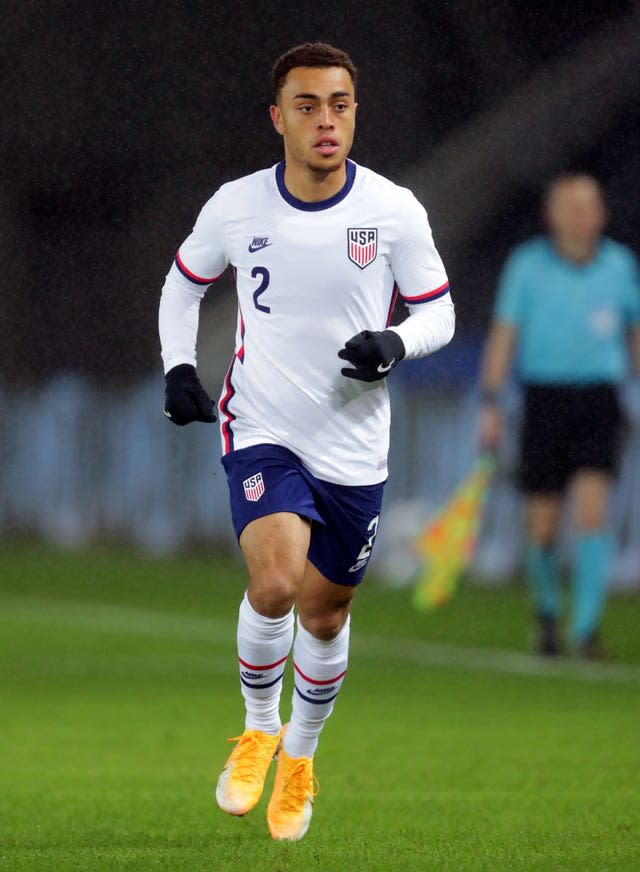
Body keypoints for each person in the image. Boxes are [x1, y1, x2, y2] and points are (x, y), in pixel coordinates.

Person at [158, 42, 454, 841]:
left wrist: (395, 344)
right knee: (280, 583)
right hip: (261, 426)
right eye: (309, 105)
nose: (327, 121)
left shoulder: (394, 210)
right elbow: (183, 282)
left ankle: (300, 754)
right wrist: (179, 366)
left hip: (354, 444)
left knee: (325, 615)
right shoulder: (237, 205)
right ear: (277, 117)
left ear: (354, 113)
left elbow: (439, 311)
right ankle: (258, 727)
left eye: (341, 105)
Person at [479, 174, 640, 659]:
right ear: (552, 216)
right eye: (569, 206)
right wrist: (490, 402)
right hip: (543, 399)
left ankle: (586, 628)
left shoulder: (619, 265)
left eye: (588, 206)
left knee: (593, 514)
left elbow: (634, 336)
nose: (579, 215)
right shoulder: (527, 266)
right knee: (543, 524)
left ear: (601, 215)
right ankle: (547, 614)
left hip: (598, 399)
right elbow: (505, 335)